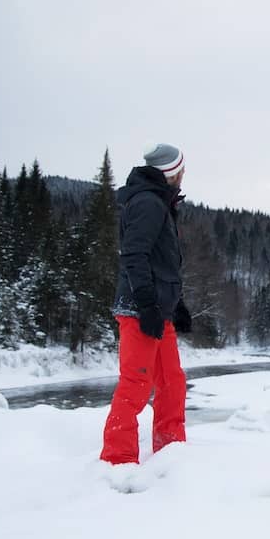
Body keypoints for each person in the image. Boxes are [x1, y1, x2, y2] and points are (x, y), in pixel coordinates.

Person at [100, 142, 193, 465]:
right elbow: (134, 256)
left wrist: (175, 305)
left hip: (158, 310)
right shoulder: (148, 204)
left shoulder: (160, 203)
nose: (184, 175)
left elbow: (161, 263)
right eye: (181, 169)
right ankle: (118, 460)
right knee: (136, 383)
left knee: (171, 382)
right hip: (140, 310)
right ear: (170, 172)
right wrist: (148, 306)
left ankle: (171, 452)